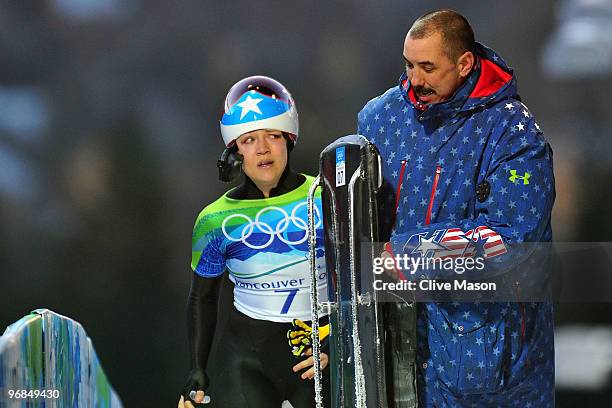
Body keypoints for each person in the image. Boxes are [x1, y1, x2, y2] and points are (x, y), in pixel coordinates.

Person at [358, 10, 555, 407]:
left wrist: (407, 256)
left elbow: (510, 240)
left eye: (427, 67)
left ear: (464, 64)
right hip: (394, 347)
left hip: (487, 353)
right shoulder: (379, 118)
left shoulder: (512, 135)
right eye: (409, 65)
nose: (414, 79)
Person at [178, 75, 329, 408]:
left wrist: (337, 344)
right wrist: (197, 369)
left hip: (317, 354)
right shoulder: (214, 221)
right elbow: (202, 297)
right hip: (246, 358)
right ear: (233, 153)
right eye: (248, 140)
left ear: (289, 139)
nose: (262, 149)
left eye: (273, 136)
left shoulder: (327, 197)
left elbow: (360, 280)